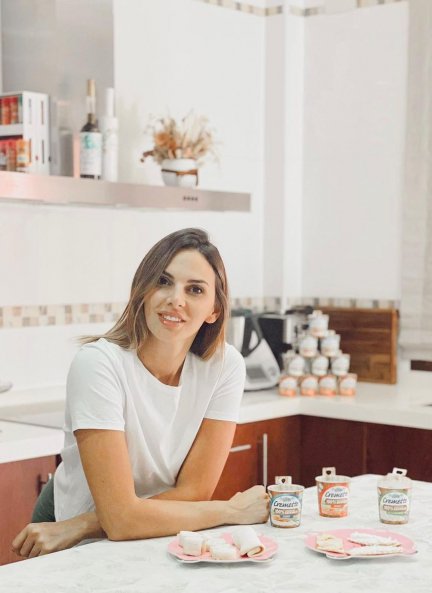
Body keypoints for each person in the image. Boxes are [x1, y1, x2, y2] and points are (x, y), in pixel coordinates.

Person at [12, 228, 269, 559]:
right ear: (142, 291)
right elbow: (120, 520)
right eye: (163, 281)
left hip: (141, 531)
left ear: (214, 310)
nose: (176, 298)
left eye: (195, 289)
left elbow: (195, 492)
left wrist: (86, 523)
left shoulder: (224, 366)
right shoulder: (99, 364)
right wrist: (231, 511)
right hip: (72, 537)